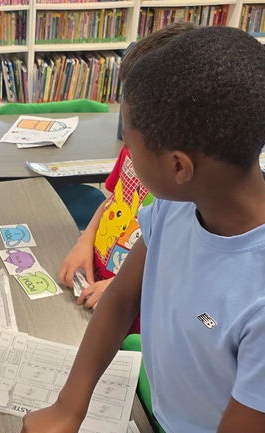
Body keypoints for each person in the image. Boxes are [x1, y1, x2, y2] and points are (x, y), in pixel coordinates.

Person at [18, 27, 265, 433]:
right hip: (173, 426)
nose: (124, 151)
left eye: (129, 142)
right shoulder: (179, 203)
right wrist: (69, 406)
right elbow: (124, 297)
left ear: (179, 165)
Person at [58, 21, 196, 314]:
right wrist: (85, 240)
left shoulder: (185, 190)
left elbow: (179, 272)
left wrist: (121, 288)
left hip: (128, 307)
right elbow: (113, 200)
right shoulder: (135, 150)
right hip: (94, 279)